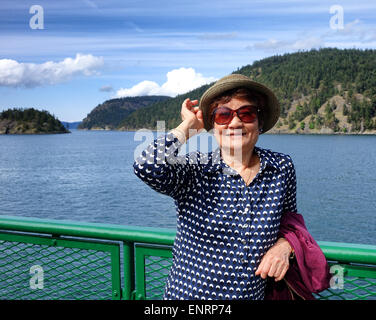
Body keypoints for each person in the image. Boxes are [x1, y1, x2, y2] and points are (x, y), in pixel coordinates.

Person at [133, 74, 300, 300]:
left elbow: (291, 223)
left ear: (259, 123)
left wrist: (284, 245)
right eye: (223, 115)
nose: (235, 122)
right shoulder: (196, 169)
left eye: (247, 113)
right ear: (213, 126)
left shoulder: (281, 168)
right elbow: (146, 165)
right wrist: (188, 127)